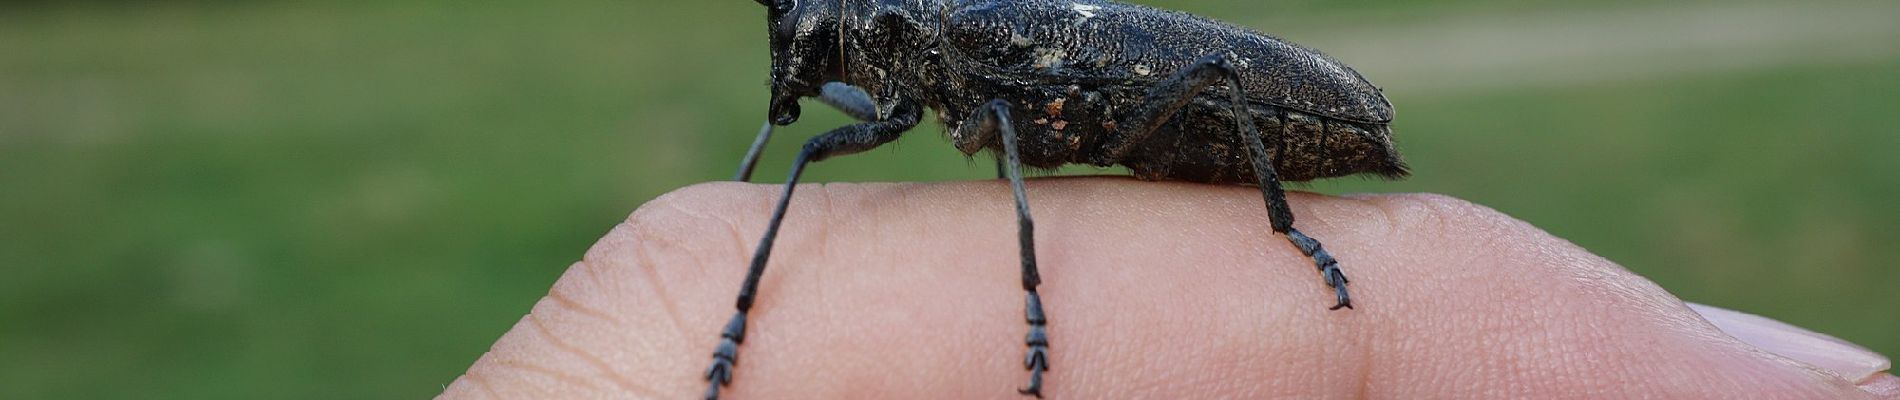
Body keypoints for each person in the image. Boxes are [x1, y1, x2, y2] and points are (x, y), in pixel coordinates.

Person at [439, 178, 1894, 399]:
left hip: (1225, 98)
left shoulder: (963, 54)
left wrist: (1033, 317)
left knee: (1021, 146)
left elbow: (1017, 155)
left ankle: (1295, 230)